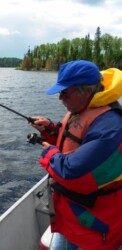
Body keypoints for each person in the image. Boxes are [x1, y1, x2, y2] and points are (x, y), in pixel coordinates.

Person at [32, 60, 122, 249]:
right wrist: (51, 130)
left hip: (95, 222)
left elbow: (70, 167)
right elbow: (77, 140)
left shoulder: (111, 125)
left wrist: (49, 152)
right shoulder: (86, 107)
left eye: (64, 93)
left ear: (87, 90)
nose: (60, 98)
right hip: (72, 213)